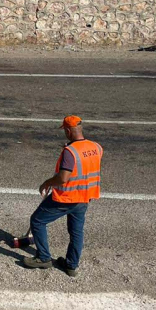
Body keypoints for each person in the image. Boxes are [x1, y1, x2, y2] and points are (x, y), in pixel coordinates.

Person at [23, 116, 103, 276]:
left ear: (68, 130)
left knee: (37, 220)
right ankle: (71, 265)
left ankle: (44, 258)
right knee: (76, 231)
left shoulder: (70, 152)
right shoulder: (96, 147)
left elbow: (63, 178)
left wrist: (47, 183)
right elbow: (86, 165)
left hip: (67, 197)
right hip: (85, 197)